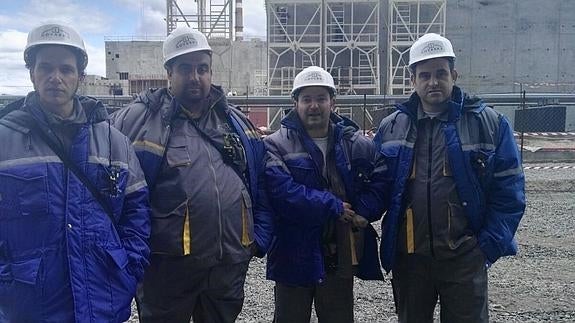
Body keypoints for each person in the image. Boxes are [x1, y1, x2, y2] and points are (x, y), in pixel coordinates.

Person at [111, 26, 273, 322]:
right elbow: (117, 192)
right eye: (186, 68)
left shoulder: (235, 121)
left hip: (228, 266)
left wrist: (257, 238)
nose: (196, 77)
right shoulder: (138, 121)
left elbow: (260, 179)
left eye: (203, 68)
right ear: (169, 72)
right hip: (167, 271)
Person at [0, 23, 151, 322]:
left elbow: (137, 212)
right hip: (28, 304)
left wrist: (129, 270)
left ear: (80, 77)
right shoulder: (5, 140)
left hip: (102, 299)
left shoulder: (113, 142)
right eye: (46, 68)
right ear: (32, 73)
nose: (56, 78)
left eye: (66, 69)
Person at [374, 33, 526, 323]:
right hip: (411, 259)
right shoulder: (392, 127)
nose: (433, 82)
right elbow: (376, 187)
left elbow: (510, 193)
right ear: (413, 80)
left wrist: (485, 249)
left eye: (441, 73)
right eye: (425, 75)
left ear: (454, 75)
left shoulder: (489, 124)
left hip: (464, 258)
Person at [263, 66, 388, 323]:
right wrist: (332, 205)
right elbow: (283, 194)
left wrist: (364, 210)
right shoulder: (275, 145)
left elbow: (382, 178)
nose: (314, 106)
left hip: (338, 254)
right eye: (306, 99)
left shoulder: (355, 144)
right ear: (295, 103)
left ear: (333, 102)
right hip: (292, 254)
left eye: (321, 98)